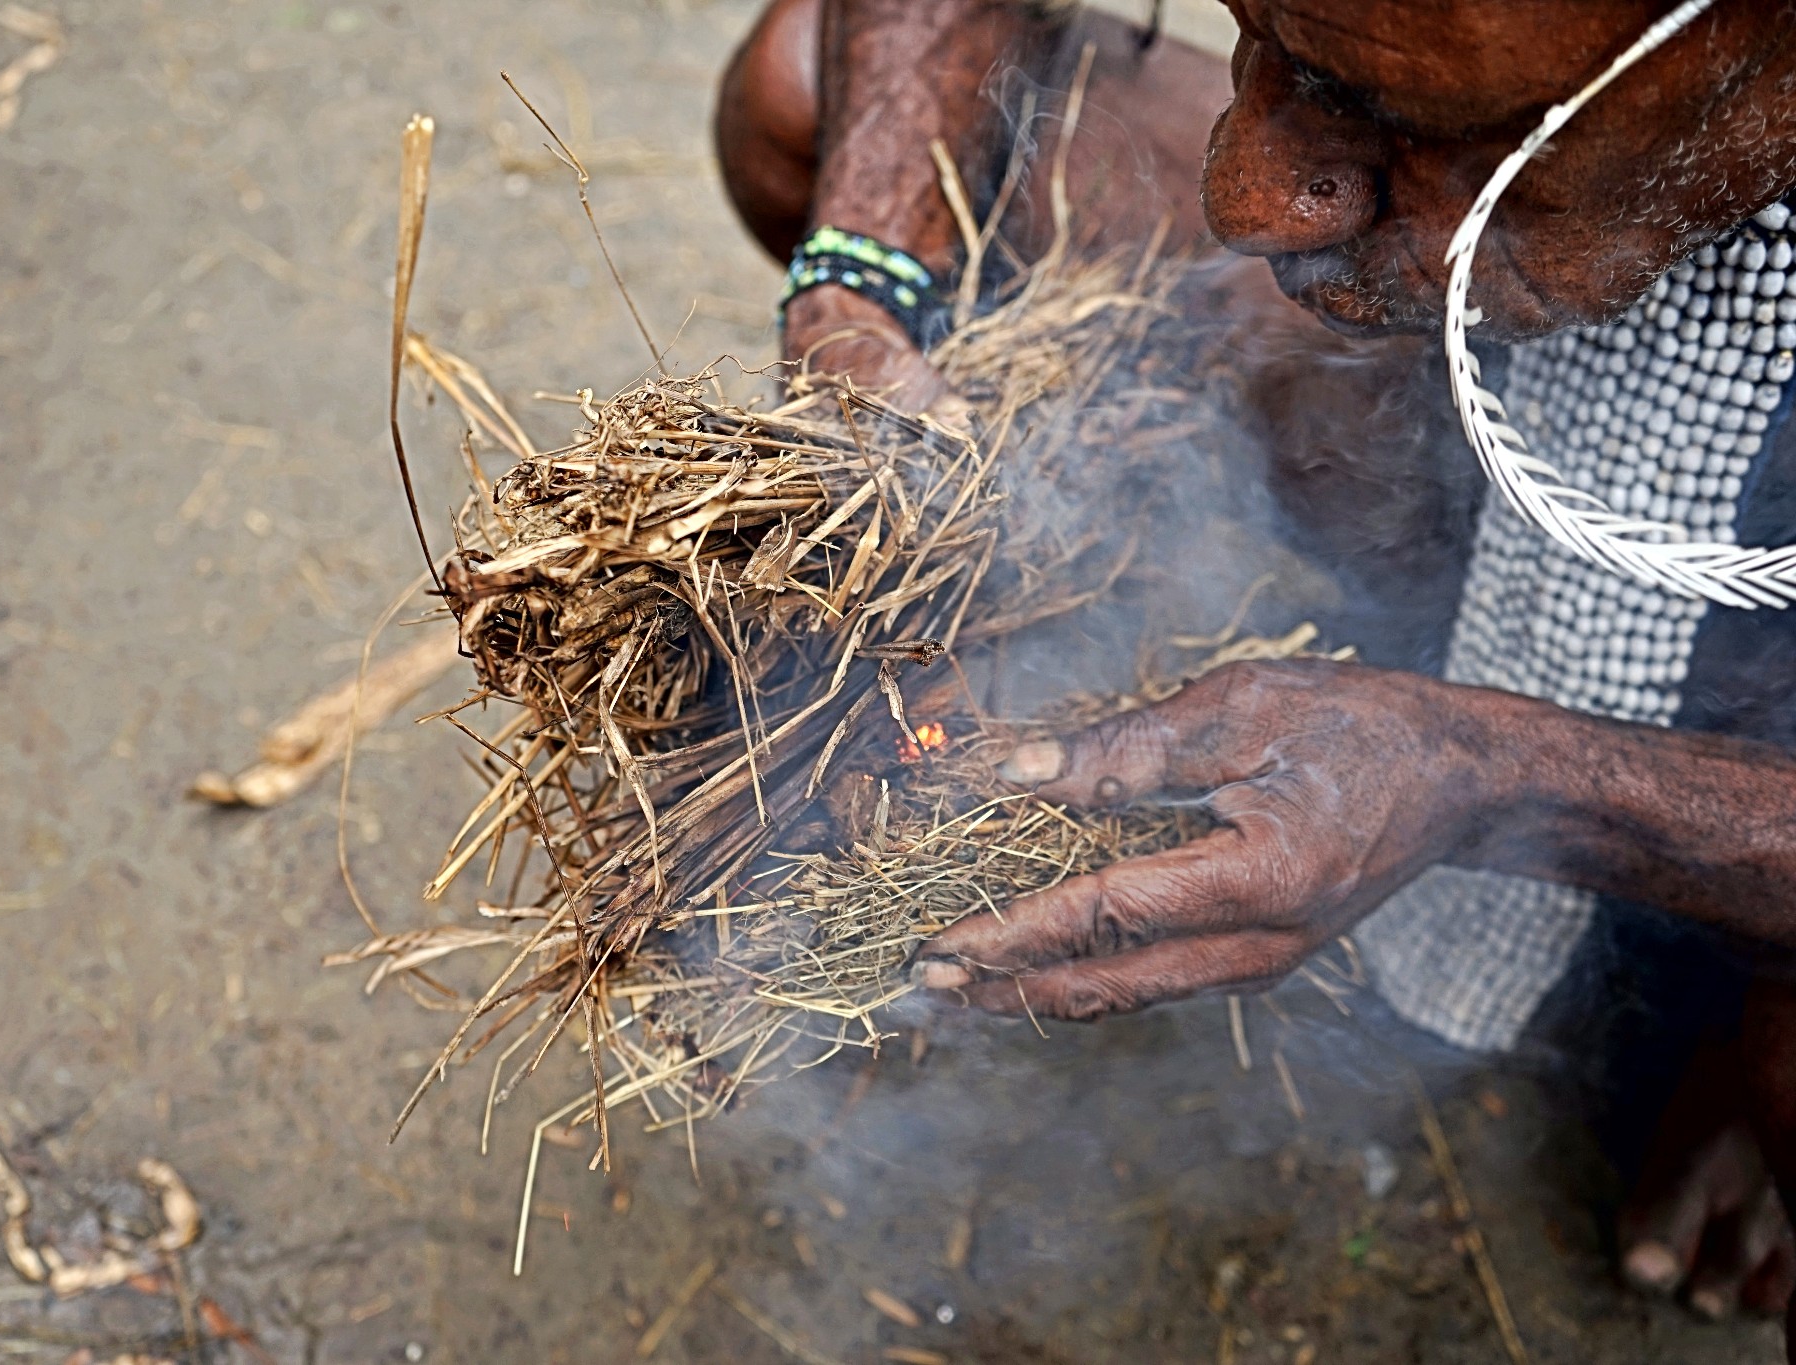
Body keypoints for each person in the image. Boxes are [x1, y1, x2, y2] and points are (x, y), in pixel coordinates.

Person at [715, 0, 1796, 1343]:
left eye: (1420, 120)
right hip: (1492, 410)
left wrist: (1498, 776)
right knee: (806, 91)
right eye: (1260, 38)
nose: (1252, 198)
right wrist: (862, 284)